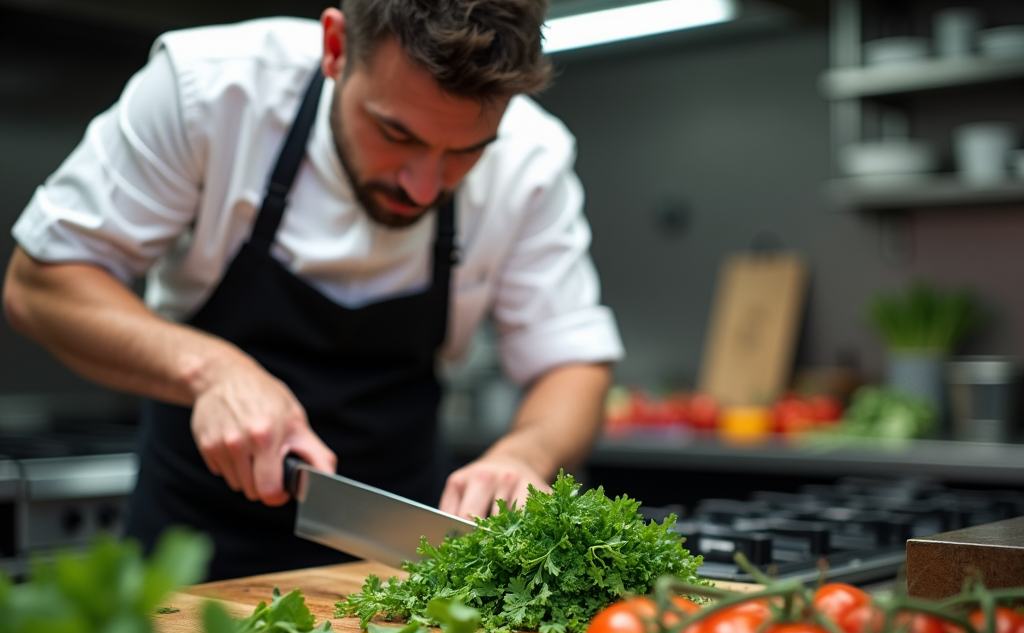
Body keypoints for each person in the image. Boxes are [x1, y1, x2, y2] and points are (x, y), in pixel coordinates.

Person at [3, 1, 624, 580]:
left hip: (400, 556)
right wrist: (210, 370)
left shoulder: (533, 160)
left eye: (466, 152)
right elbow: (40, 284)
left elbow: (571, 362)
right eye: (397, 134)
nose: (424, 186)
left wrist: (526, 453)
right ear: (335, 48)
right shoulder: (210, 89)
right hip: (191, 541)